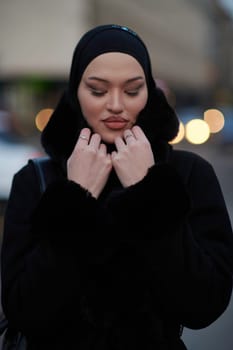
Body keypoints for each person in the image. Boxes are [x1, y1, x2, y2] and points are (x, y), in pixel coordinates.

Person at [1, 24, 233, 350]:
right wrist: (74, 199)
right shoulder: (36, 179)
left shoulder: (189, 174)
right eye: (97, 90)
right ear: (75, 94)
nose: (115, 104)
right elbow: (24, 310)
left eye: (132, 90)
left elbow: (204, 304)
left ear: (149, 94)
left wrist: (148, 193)